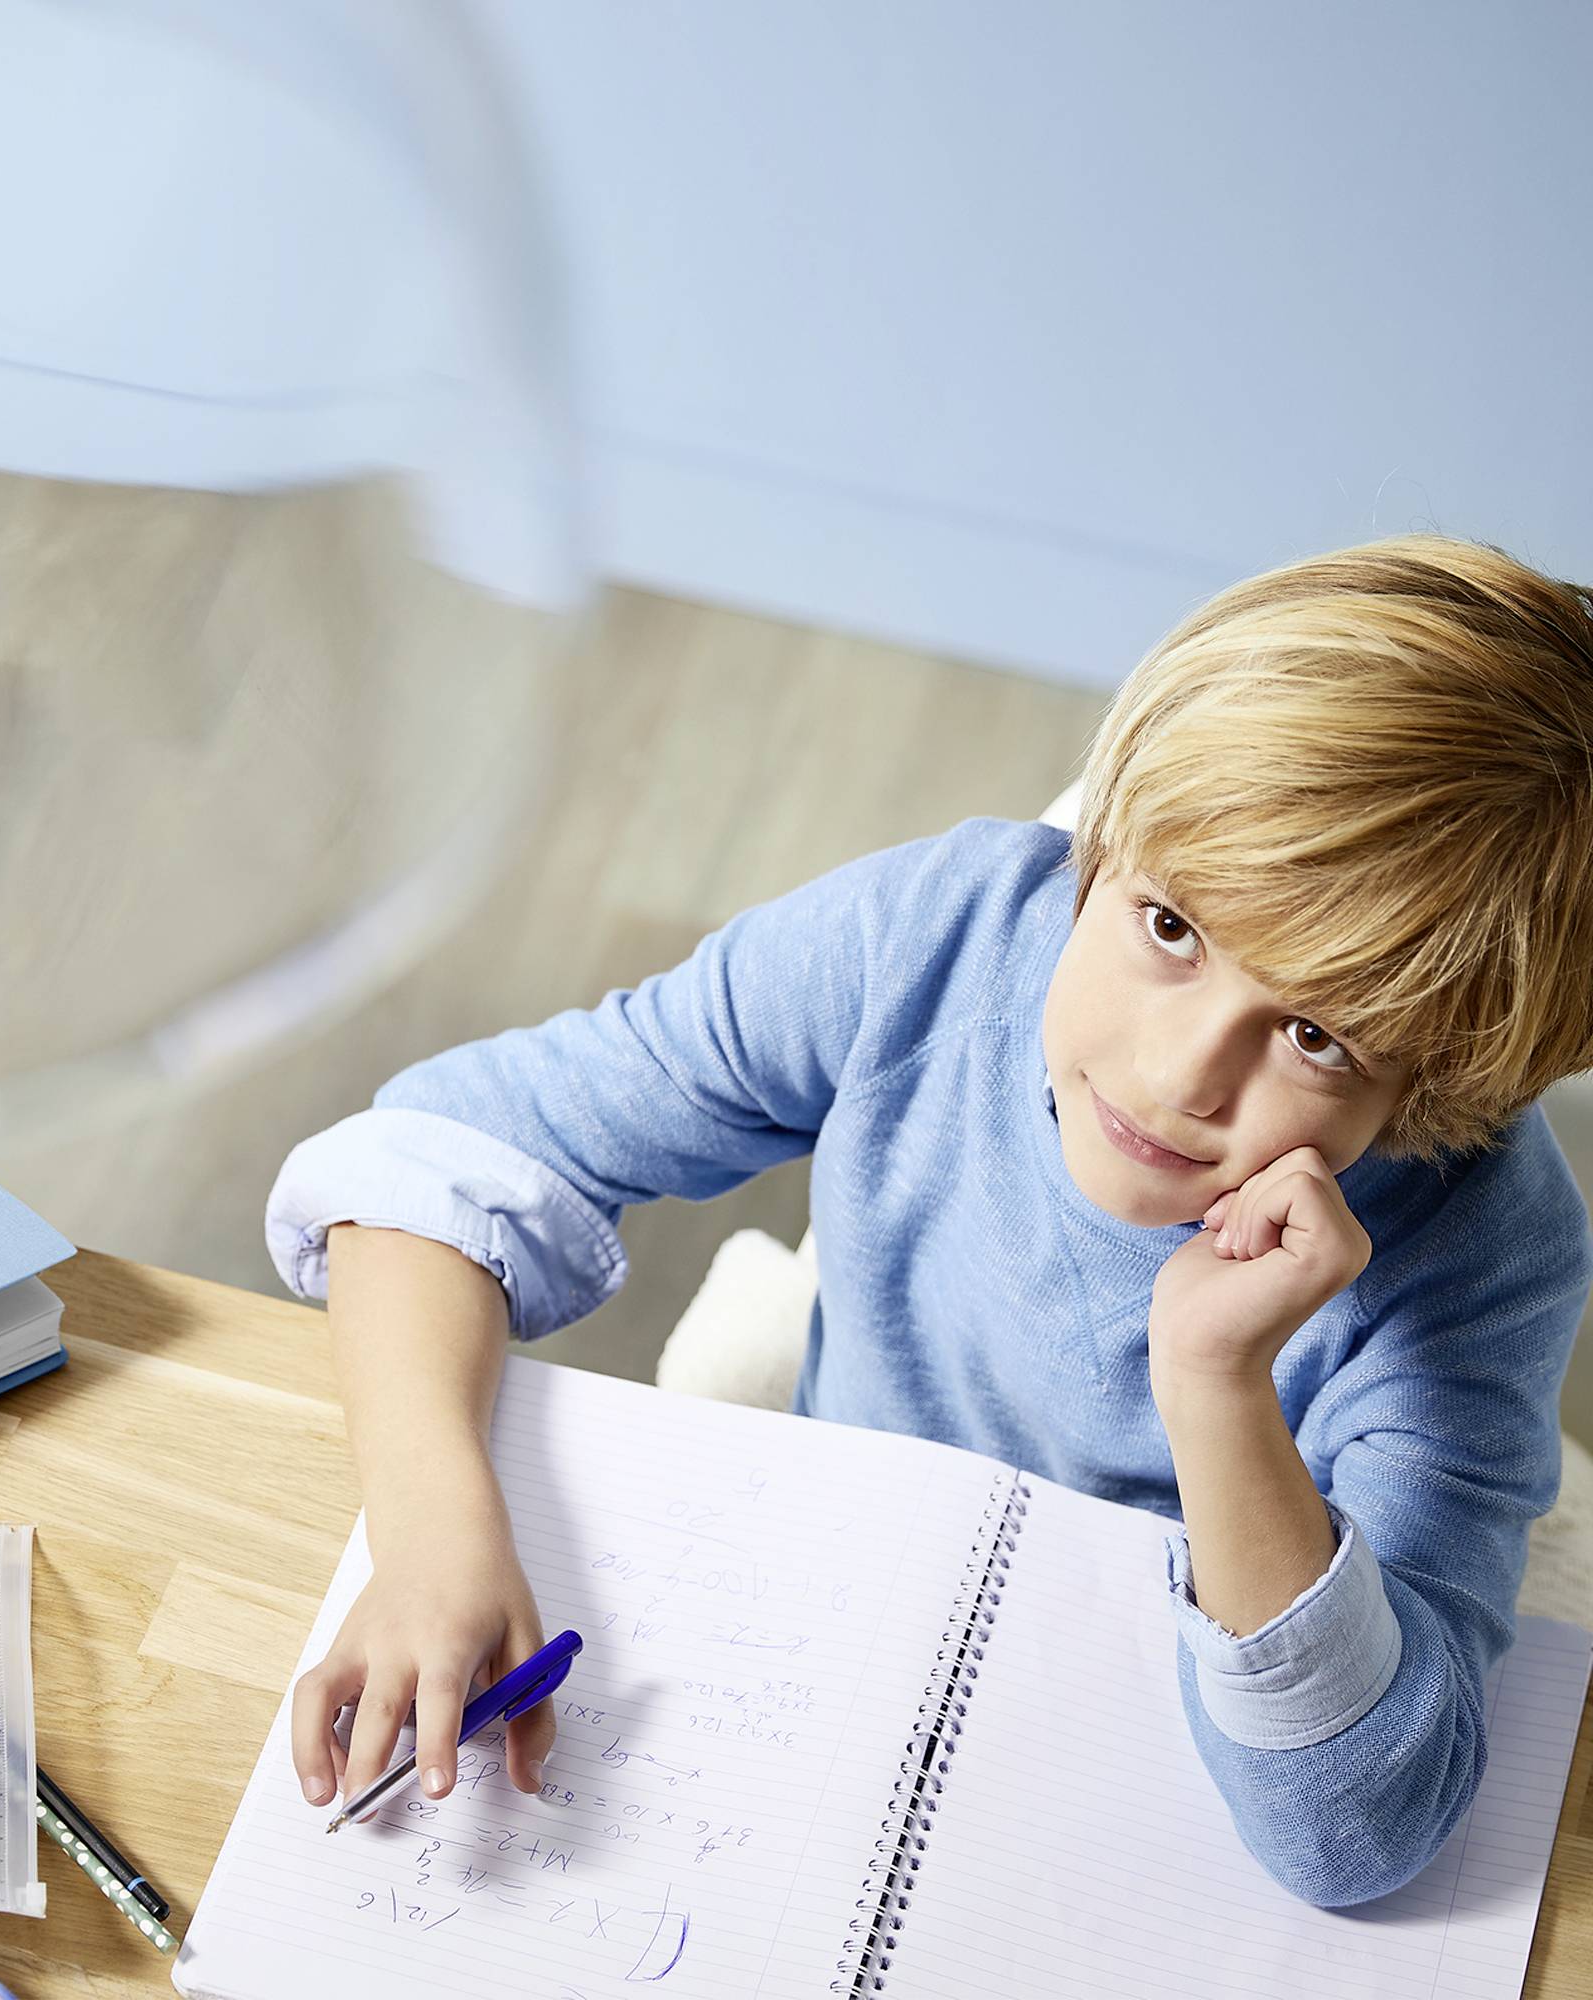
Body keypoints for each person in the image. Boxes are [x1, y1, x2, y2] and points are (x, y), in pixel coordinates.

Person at [264, 534, 1593, 1907]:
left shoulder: (1485, 1254)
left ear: (1437, 1082)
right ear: (1111, 843)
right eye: (1172, 928)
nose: (1177, 1076)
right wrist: (430, 1534)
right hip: (839, 1607)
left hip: (1137, 1743)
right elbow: (430, 1162)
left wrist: (1215, 1383)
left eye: (1314, 1036)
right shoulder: (936, 933)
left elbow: (1359, 1836)